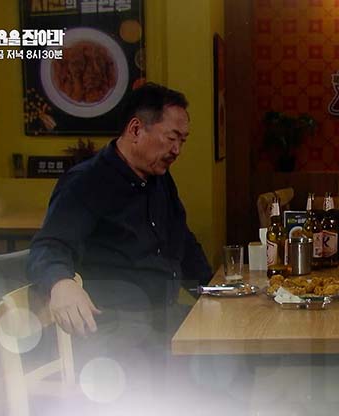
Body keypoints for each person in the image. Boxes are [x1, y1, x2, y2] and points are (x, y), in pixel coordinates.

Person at [28, 82, 212, 344]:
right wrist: (60, 283)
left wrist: (212, 291)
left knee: (229, 340)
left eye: (182, 141)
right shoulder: (87, 181)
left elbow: (183, 242)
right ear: (136, 129)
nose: (177, 150)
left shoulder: (160, 178)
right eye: (171, 139)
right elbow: (49, 246)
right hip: (116, 328)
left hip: (163, 316)